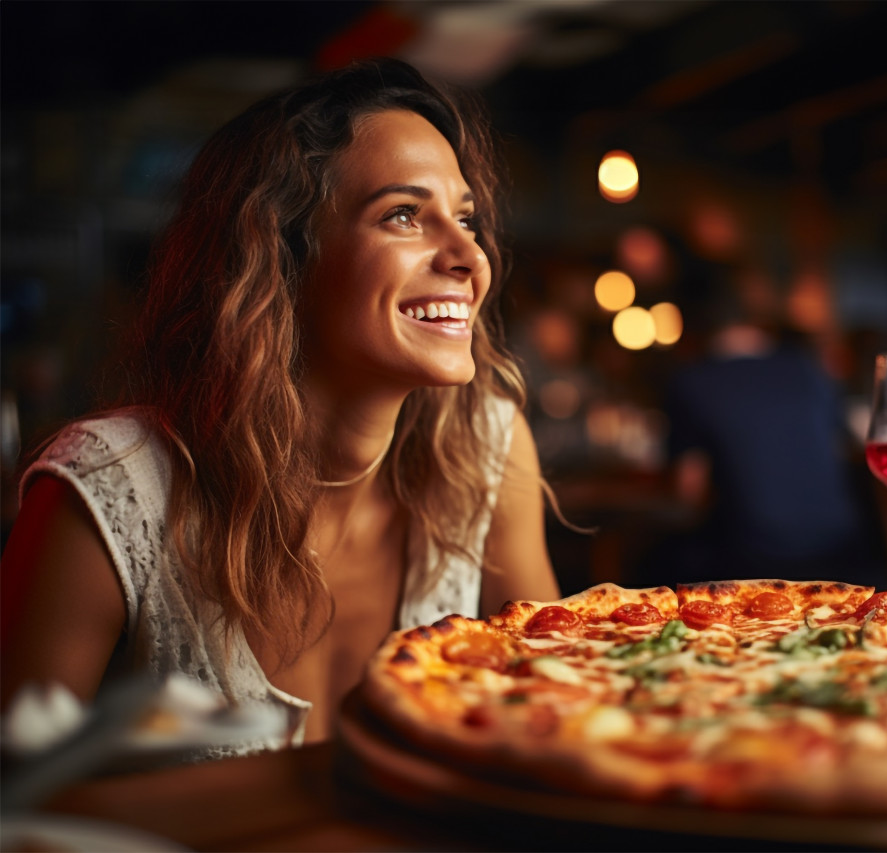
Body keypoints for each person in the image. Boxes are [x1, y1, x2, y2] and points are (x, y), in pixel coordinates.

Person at [0, 58, 560, 755]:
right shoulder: (107, 491)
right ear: (282, 260)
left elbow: (554, 712)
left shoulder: (485, 447)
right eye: (404, 215)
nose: (468, 255)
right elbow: (21, 806)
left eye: (468, 218)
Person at [640, 262, 886, 587]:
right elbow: (840, 446)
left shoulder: (691, 381)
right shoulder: (808, 368)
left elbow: (688, 489)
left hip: (752, 559)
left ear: (690, 320)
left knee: (652, 564)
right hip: (844, 551)